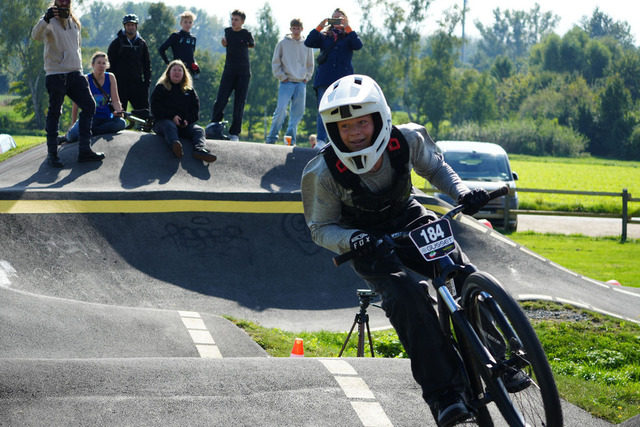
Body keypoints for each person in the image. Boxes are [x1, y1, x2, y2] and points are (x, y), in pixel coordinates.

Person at [300, 75, 495, 427]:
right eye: (345, 126)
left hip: (409, 217)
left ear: (379, 118)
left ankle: (498, 353)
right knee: (407, 297)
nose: (355, 132)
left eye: (361, 122)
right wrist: (354, 239)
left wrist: (463, 193)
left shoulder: (406, 140)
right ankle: (446, 395)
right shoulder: (323, 172)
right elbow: (320, 228)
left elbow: (435, 168)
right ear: (333, 130)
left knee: (462, 272)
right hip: (366, 242)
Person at [31, 0, 105, 167]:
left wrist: (79, 68)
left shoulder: (74, 21)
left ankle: (84, 150)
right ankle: (52, 154)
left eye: (67, 0)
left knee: (89, 105)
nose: (64, 3)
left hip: (75, 72)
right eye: (61, 0)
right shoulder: (49, 20)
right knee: (54, 113)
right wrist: (46, 18)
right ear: (56, 1)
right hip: (56, 74)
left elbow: (76, 48)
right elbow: (35, 36)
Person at [304, 8, 362, 149]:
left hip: (344, 80)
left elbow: (358, 45)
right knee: (323, 110)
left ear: (345, 19)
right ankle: (321, 140)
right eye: (334, 18)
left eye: (340, 18)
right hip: (325, 78)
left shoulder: (349, 36)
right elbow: (308, 42)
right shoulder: (324, 36)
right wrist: (320, 26)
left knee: (344, 110)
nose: (337, 20)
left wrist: (348, 27)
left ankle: (342, 140)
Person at [150, 60, 217, 163]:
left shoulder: (189, 91)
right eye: (174, 70)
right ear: (169, 73)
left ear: (184, 74)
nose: (177, 72)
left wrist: (187, 120)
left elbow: (195, 110)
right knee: (170, 125)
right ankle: (175, 145)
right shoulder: (161, 88)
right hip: (163, 123)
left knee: (199, 130)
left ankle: (200, 150)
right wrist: (172, 117)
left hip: (183, 126)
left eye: (180, 70)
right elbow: (155, 108)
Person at [205, 10, 255, 142]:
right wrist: (224, 43)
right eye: (232, 19)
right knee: (221, 99)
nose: (233, 22)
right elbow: (226, 42)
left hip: (243, 73)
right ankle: (214, 127)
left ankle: (234, 133)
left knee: (239, 103)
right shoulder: (227, 31)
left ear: (242, 21)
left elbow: (252, 44)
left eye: (236, 20)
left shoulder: (246, 33)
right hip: (229, 71)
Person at [265, 18, 314, 146]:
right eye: (294, 28)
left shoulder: (307, 44)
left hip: (301, 82)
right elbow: (276, 62)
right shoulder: (282, 43)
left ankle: (290, 140)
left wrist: (307, 78)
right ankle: (271, 138)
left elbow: (310, 64)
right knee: (281, 110)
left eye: (298, 28)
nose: (296, 31)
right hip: (286, 82)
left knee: (297, 114)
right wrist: (282, 77)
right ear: (290, 29)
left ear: (302, 29)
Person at [59, 52, 126, 144]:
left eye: (104, 63)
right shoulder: (86, 79)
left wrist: (119, 112)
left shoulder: (111, 77)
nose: (101, 65)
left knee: (121, 123)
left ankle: (92, 130)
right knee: (71, 137)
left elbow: (115, 100)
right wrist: (73, 123)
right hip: (90, 119)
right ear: (93, 64)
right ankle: (90, 130)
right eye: (99, 63)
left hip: (106, 118)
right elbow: (76, 104)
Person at [107, 14, 151, 112]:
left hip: (137, 83)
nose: (131, 27)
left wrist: (146, 83)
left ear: (136, 26)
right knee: (118, 113)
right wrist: (112, 84)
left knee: (143, 113)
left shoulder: (142, 43)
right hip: (120, 84)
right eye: (128, 25)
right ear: (124, 26)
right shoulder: (117, 43)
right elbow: (110, 64)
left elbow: (147, 64)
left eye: (133, 25)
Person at [159, 11, 200, 79]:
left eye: (190, 22)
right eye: (185, 22)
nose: (187, 24)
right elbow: (161, 49)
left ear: (192, 24)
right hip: (177, 70)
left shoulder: (193, 39)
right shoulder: (175, 36)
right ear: (181, 23)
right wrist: (168, 63)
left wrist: (195, 65)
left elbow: (191, 55)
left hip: (188, 72)